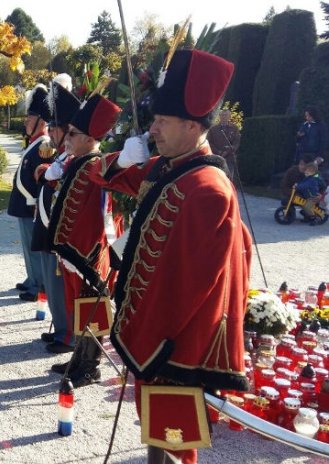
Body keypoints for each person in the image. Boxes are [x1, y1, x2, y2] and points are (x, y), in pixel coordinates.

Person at [89, 50, 251, 464]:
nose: (153, 129)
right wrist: (121, 159)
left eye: (162, 122)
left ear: (192, 125)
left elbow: (187, 286)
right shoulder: (170, 166)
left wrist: (145, 340)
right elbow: (100, 175)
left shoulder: (207, 190)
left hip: (177, 344)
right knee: (155, 430)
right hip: (158, 339)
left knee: (176, 442)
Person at [45, 93, 122, 387]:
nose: (67, 139)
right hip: (72, 252)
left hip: (87, 253)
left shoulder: (94, 165)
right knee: (76, 305)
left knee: (90, 307)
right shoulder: (79, 162)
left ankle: (90, 366)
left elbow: (96, 216)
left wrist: (81, 254)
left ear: (91, 138)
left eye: (73, 134)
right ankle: (78, 357)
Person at [28, 76, 80, 353]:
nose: (51, 132)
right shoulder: (62, 155)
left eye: (55, 128)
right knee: (51, 281)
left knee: (60, 285)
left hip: (58, 230)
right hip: (47, 225)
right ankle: (61, 327)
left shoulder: (72, 157)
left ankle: (68, 333)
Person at [8, 84, 51, 301]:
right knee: (27, 246)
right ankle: (31, 277)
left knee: (33, 248)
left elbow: (41, 180)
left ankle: (38, 285)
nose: (26, 120)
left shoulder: (44, 145)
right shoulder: (34, 143)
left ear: (41, 122)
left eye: (30, 117)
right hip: (24, 203)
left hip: (31, 204)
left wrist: (35, 202)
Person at [206, 109, 240, 180]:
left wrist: (228, 151)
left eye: (226, 115)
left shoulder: (234, 128)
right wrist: (219, 152)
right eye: (222, 115)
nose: (224, 117)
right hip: (216, 157)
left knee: (229, 179)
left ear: (229, 116)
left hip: (229, 158)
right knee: (216, 178)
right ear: (220, 116)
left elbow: (236, 142)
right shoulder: (213, 129)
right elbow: (209, 142)